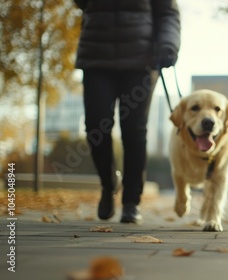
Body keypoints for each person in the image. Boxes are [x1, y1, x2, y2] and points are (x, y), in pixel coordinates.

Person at [74, 0, 181, 223]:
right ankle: (108, 183)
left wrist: (168, 45)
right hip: (97, 57)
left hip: (140, 61)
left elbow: (168, 13)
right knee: (95, 126)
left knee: (134, 130)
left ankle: (132, 201)